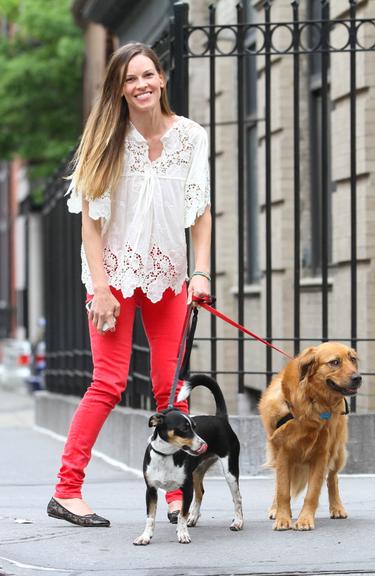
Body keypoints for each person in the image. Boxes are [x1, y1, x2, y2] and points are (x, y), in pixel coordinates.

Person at [47, 42, 211, 527]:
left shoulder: (191, 138)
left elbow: (198, 211)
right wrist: (100, 288)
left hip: (168, 276)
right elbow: (91, 226)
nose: (139, 85)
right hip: (113, 277)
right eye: (128, 79)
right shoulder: (108, 140)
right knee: (109, 382)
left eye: (146, 75)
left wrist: (200, 271)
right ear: (119, 89)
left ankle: (176, 492)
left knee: (170, 388)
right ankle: (66, 491)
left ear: (161, 79)